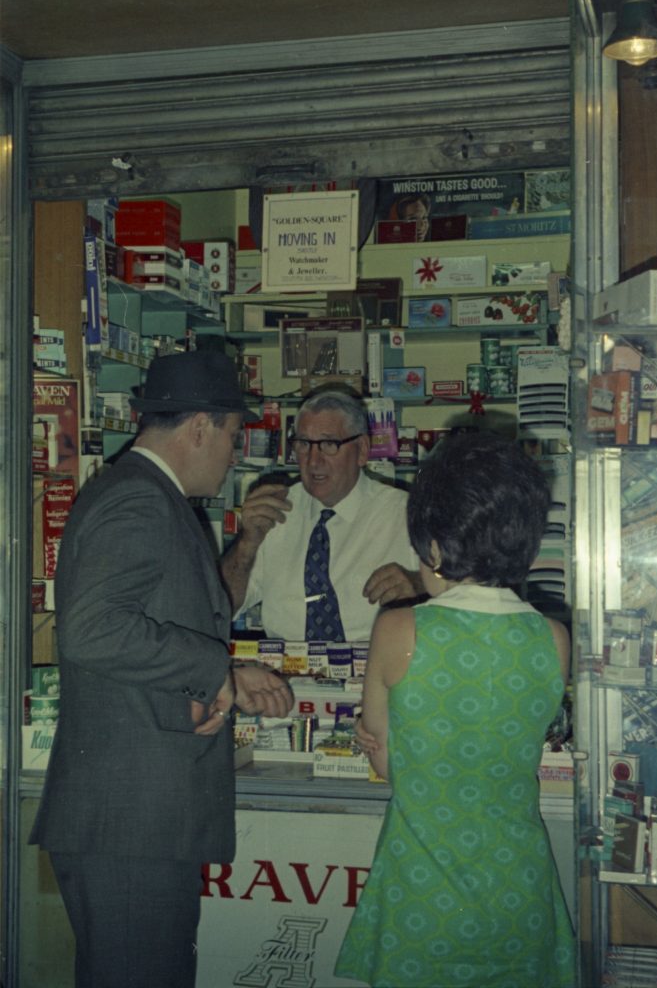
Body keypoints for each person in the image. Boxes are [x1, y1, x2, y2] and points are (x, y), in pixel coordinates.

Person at [30, 351, 294, 988]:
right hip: (129, 825)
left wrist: (209, 685)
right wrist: (216, 672)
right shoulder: (140, 502)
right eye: (234, 434)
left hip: (140, 819)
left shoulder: (152, 497)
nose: (235, 453)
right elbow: (93, 629)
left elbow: (139, 638)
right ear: (199, 426)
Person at [335, 432, 575, 988]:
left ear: (436, 548)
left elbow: (385, 760)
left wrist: (381, 747)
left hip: (424, 894)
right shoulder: (553, 639)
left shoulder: (400, 629)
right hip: (521, 889)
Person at [221, 387, 423, 642]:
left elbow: (468, 592)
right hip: (286, 675)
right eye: (304, 444)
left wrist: (420, 585)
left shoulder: (405, 513)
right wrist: (247, 542)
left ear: (361, 450)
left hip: (377, 672)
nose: (314, 460)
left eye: (329, 444)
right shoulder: (275, 510)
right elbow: (220, 608)